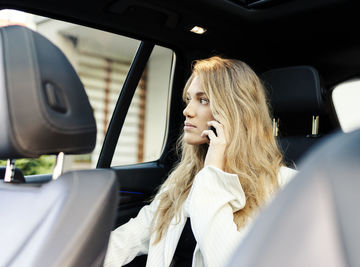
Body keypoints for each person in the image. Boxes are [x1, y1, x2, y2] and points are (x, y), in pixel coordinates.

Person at [103, 56, 297, 267]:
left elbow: (226, 259)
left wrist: (214, 169)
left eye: (203, 100)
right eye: (189, 99)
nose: (187, 111)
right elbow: (128, 239)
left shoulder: (284, 187)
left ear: (235, 113)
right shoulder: (182, 181)